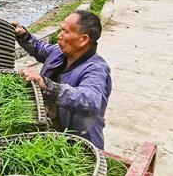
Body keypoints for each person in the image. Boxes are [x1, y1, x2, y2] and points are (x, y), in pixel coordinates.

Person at [13, 10, 112, 149]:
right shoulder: (60, 52)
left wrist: (47, 85)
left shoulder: (96, 69)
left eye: (65, 31)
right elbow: (39, 49)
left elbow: (90, 101)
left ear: (83, 39)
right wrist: (23, 35)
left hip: (78, 144)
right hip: (51, 133)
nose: (59, 36)